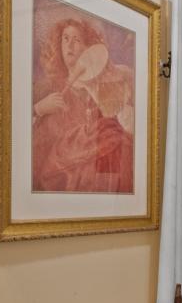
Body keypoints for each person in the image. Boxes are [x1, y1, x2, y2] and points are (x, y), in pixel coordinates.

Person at [32, 16, 135, 194]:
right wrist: (39, 109)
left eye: (76, 40)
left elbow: (121, 134)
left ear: (88, 49)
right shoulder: (46, 87)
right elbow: (14, 127)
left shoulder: (102, 87)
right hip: (53, 179)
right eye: (65, 39)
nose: (69, 45)